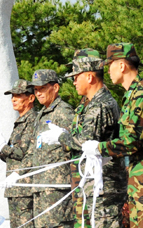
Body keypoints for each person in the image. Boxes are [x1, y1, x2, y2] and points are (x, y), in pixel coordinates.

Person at [41, 49, 126, 228]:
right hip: (88, 183)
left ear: (89, 77)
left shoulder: (101, 104)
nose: (73, 82)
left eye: (75, 76)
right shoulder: (86, 103)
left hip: (103, 186)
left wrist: (62, 137)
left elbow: (85, 141)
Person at [83, 43, 143, 226]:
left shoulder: (140, 95)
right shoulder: (130, 96)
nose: (108, 71)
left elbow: (132, 141)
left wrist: (99, 148)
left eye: (110, 65)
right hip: (136, 179)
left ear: (122, 66)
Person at [0, 79, 37, 228]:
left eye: (18, 95)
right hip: (15, 188)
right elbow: (12, 157)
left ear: (31, 98)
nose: (13, 99)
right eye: (12, 96)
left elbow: (21, 153)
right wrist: (0, 149)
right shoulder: (21, 121)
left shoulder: (32, 120)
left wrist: (3, 146)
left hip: (24, 188)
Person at [30, 69, 75, 228]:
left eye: (42, 88)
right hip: (41, 186)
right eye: (35, 90)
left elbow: (75, 145)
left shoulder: (63, 111)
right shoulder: (41, 114)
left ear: (55, 88)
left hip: (58, 188)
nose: (38, 93)